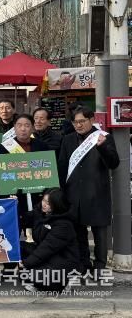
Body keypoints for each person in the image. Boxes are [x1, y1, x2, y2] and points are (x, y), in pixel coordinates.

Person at [58, 107, 119, 271]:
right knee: (78, 233)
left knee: (100, 233)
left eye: (82, 121)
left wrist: (102, 147)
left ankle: (100, 265)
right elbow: (62, 166)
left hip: (96, 192)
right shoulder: (68, 139)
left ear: (92, 120)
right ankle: (83, 264)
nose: (78, 125)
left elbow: (114, 163)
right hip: (74, 194)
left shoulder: (103, 137)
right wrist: (61, 191)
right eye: (75, 122)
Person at [0, 114, 50, 231]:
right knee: (14, 230)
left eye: (27, 125)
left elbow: (47, 171)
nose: (23, 129)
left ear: (32, 128)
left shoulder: (42, 146)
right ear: (14, 128)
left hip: (37, 195)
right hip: (14, 196)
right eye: (19, 125)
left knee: (38, 231)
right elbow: (0, 174)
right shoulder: (3, 148)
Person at [20, 188, 80, 292]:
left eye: (48, 203)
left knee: (31, 275)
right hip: (51, 257)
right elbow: (24, 219)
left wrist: (26, 263)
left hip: (64, 261)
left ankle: (68, 280)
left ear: (57, 204)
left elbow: (46, 248)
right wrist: (15, 203)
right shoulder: (41, 213)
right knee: (22, 249)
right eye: (43, 200)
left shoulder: (64, 225)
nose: (44, 204)